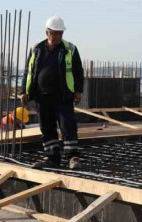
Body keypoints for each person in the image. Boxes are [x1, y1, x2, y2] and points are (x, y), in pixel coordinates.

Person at [21, 16, 85, 170]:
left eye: (60, 33)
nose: (57, 36)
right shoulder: (36, 49)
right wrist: (23, 91)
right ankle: (52, 157)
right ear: (47, 32)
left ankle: (73, 157)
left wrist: (78, 91)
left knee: (67, 126)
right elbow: (28, 72)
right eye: (54, 33)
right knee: (47, 128)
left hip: (62, 95)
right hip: (42, 97)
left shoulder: (70, 49)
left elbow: (78, 71)